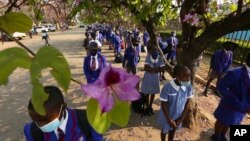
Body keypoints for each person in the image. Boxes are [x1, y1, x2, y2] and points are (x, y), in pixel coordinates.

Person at [24, 86, 103, 141]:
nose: (42, 125)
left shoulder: (88, 119)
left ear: (63, 107)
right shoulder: (31, 131)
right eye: (36, 120)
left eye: (47, 119)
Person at [212, 53, 250, 141]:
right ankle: (216, 135)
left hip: (243, 108)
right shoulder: (236, 73)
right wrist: (236, 101)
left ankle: (223, 134)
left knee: (232, 122)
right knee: (222, 120)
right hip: (230, 105)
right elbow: (221, 86)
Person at [157, 64, 193, 141]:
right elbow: (164, 105)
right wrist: (169, 120)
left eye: (189, 76)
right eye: (185, 76)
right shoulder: (167, 88)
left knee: (173, 130)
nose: (188, 79)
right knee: (164, 131)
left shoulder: (188, 87)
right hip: (167, 116)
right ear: (177, 77)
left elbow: (188, 102)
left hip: (178, 116)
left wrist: (182, 118)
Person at [141, 46, 165, 115]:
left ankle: (150, 105)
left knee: (153, 92)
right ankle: (148, 106)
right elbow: (146, 68)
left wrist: (152, 69)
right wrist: (156, 69)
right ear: (150, 51)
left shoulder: (160, 58)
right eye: (153, 50)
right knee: (148, 92)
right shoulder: (148, 57)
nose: (155, 51)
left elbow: (162, 68)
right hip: (148, 77)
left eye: (156, 50)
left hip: (155, 77)